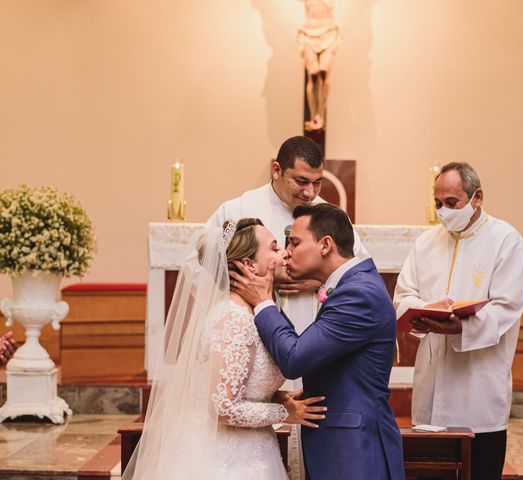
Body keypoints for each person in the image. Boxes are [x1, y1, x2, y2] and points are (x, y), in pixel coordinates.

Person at [206, 135, 367, 478]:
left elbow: (354, 271)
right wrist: (254, 290)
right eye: (301, 182)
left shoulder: (329, 218)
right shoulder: (236, 210)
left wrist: (318, 278)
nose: (310, 193)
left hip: (310, 338)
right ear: (276, 170)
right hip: (247, 335)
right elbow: (202, 269)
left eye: (317, 182)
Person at [122, 219, 325, 479]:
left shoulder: (256, 315)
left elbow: (237, 386)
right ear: (249, 265)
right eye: (274, 248)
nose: (284, 252)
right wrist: (285, 412)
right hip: (223, 461)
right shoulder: (234, 320)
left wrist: (276, 398)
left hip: (251, 451)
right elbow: (221, 408)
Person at [231, 203, 404, 479]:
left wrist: (263, 303)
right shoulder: (354, 285)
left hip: (354, 451)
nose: (287, 252)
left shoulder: (359, 294)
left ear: (325, 245)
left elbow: (295, 359)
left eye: (295, 242)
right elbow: (306, 348)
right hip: (343, 445)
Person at [393, 162, 523, 480]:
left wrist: (461, 325)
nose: (443, 212)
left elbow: (507, 307)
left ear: (477, 197)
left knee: (478, 469)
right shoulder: (425, 243)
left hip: (478, 384)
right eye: (438, 203)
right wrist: (425, 309)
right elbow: (404, 295)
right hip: (432, 379)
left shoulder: (506, 240)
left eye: (451, 203)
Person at [297, 0, 340, 131]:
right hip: (309, 33)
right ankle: (313, 115)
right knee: (313, 74)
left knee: (323, 72)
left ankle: (320, 115)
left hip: (329, 32)